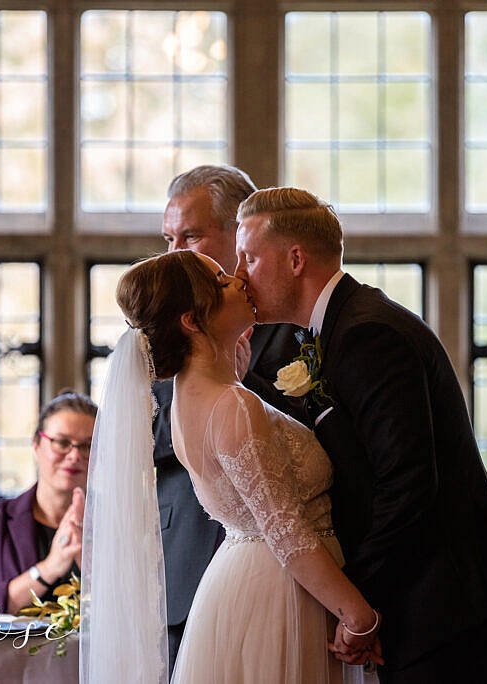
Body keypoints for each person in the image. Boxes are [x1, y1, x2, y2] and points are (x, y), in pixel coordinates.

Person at [234, 187, 487, 683]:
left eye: (248, 258)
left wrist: (356, 603)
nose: (240, 275)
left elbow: (408, 484)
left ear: (294, 259)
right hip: (424, 591)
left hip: (445, 596)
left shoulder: (367, 334)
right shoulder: (337, 328)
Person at [79, 250, 382, 684]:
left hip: (250, 581)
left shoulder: (196, 395)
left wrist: (234, 373)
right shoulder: (232, 406)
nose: (240, 280)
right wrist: (358, 615)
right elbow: (285, 531)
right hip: (279, 593)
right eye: (222, 282)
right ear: (191, 319)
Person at [154, 164, 305, 673]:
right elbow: (147, 437)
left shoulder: (292, 324)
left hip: (284, 569)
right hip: (185, 560)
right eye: (168, 237)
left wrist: (239, 388)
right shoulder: (162, 329)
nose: (175, 252)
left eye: (191, 236)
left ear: (238, 234)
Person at [0, 391, 96, 617]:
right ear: (37, 445)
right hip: (11, 652)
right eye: (62, 442)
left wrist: (93, 571)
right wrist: (48, 569)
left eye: (87, 446)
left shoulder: (112, 524)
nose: (74, 455)